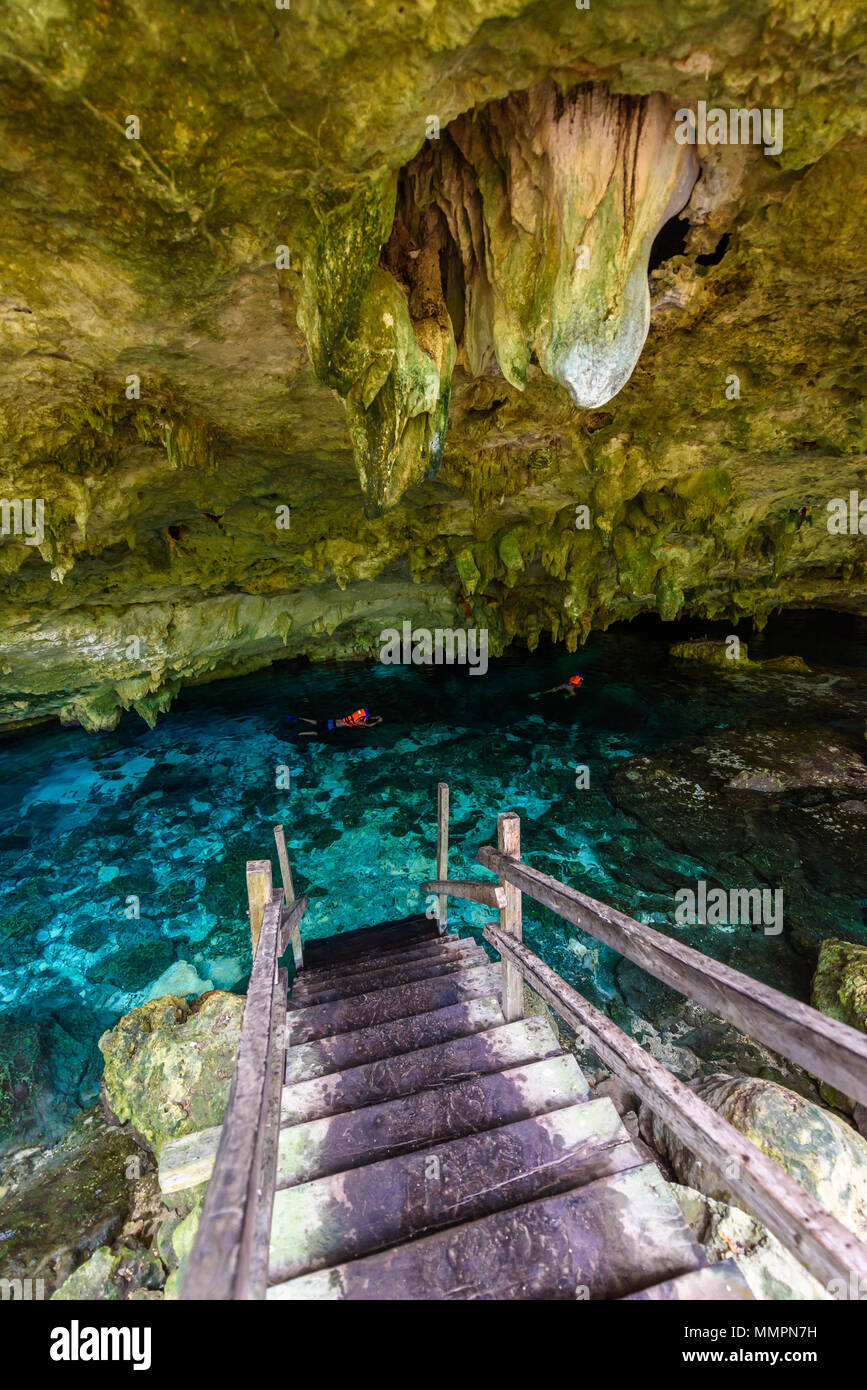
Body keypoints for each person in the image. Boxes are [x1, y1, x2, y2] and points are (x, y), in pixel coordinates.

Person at [286, 707, 383, 738]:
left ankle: (298, 718)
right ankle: (298, 733)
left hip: (333, 721)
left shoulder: (357, 715)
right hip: (332, 725)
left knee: (316, 722)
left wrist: (374, 717)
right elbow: (368, 725)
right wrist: (378, 721)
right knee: (316, 733)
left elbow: (366, 716)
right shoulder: (358, 721)